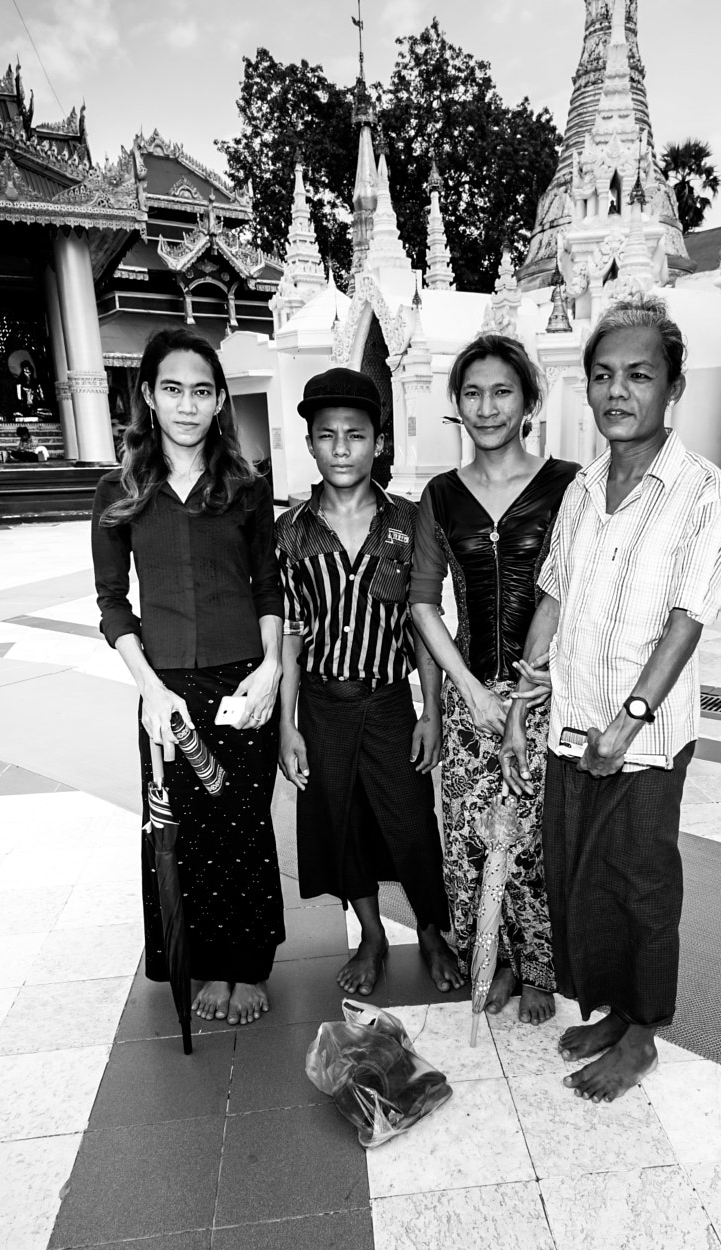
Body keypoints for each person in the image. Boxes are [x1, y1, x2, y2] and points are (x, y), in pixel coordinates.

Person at [501, 295, 721, 1103]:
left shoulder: (702, 490)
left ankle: (643, 1032)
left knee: (639, 878)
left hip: (644, 730)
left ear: (673, 386)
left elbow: (687, 618)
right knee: (579, 876)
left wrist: (629, 719)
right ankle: (608, 1007)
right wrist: (527, 690)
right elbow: (556, 596)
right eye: (602, 375)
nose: (616, 391)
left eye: (638, 374)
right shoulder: (582, 488)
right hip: (571, 718)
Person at [92, 328, 285, 1026]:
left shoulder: (245, 486)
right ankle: (200, 958)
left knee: (242, 821)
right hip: (163, 688)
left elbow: (268, 587)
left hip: (241, 684)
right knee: (180, 828)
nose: (186, 404)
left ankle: (248, 965)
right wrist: (150, 686)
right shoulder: (120, 490)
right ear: (148, 394)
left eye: (202, 390)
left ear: (220, 399)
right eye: (172, 388)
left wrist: (269, 671)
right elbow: (112, 602)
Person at [277, 367, 465, 998]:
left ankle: (433, 932)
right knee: (342, 821)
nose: (340, 448)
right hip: (323, 702)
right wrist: (287, 726)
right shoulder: (291, 533)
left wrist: (430, 712)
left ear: (378, 443)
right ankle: (372, 934)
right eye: (326, 435)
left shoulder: (410, 525)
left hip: (388, 700)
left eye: (354, 435)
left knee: (411, 821)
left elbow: (421, 623)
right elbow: (291, 634)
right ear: (310, 443)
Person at [409, 334, 579, 1025]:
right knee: (473, 835)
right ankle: (501, 958)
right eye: (472, 393)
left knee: (533, 834)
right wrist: (469, 692)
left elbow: (563, 591)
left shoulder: (569, 484)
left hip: (542, 696)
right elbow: (423, 602)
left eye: (502, 391)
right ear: (457, 405)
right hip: (465, 693)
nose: (486, 407)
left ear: (530, 401)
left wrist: (524, 689)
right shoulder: (441, 496)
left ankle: (541, 965)